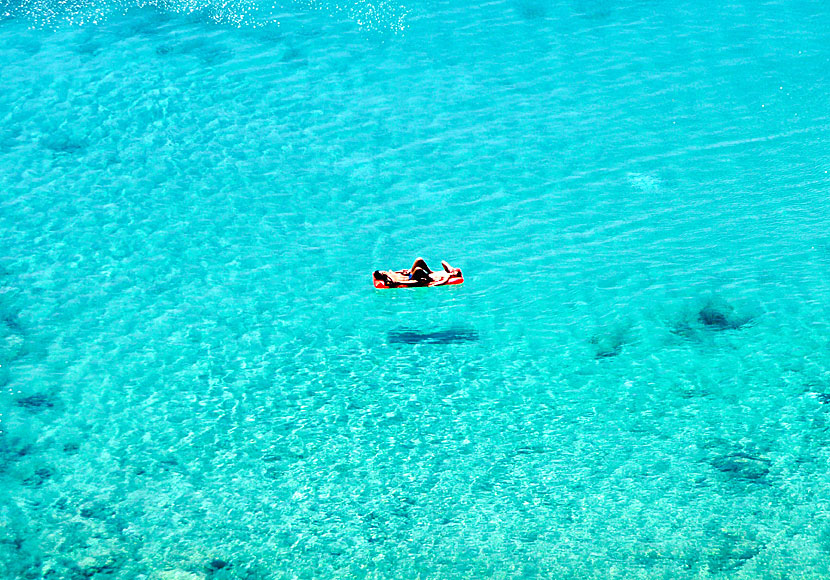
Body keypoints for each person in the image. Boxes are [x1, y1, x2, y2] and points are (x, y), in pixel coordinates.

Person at [374, 258, 462, 287]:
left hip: (410, 277)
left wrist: (405, 272)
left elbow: (442, 281)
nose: (384, 271)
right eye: (383, 272)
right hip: (410, 278)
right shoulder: (447, 274)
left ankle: (429, 274)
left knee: (419, 265)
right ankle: (429, 274)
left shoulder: (447, 275)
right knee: (419, 264)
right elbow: (443, 262)